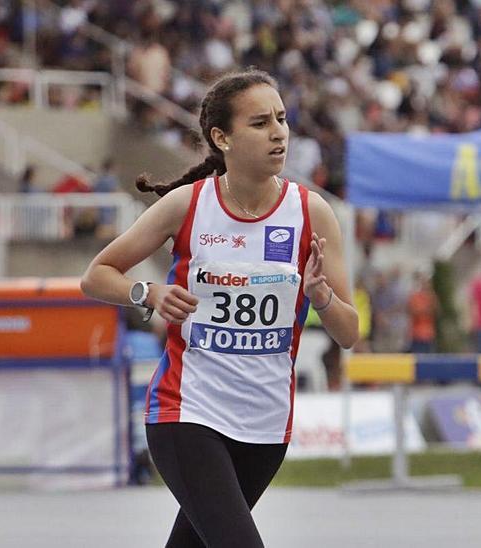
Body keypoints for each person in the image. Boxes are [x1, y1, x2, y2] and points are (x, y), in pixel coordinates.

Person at [80, 69, 358, 548]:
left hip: (266, 424)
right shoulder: (187, 206)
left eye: (282, 119)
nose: (278, 132)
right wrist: (149, 294)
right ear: (221, 137)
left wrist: (321, 298)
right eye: (260, 123)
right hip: (188, 413)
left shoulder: (311, 214)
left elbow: (349, 332)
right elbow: (97, 275)